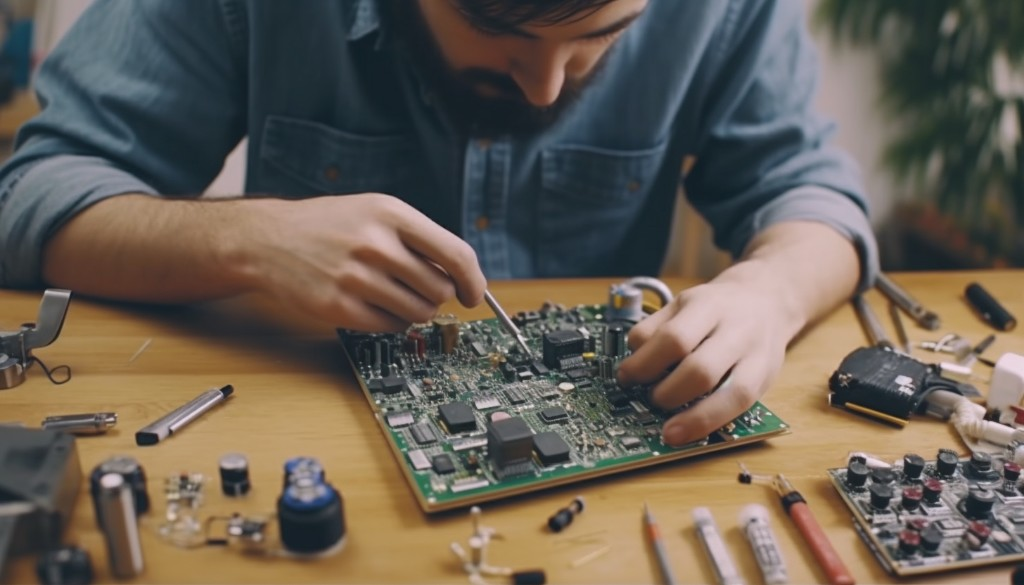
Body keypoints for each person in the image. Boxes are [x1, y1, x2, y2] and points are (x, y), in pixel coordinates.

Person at [0, 0, 878, 446]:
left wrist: (769, 290)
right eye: (497, 30)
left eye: (599, 37)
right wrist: (247, 239)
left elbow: (813, 196)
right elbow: (32, 191)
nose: (545, 89)